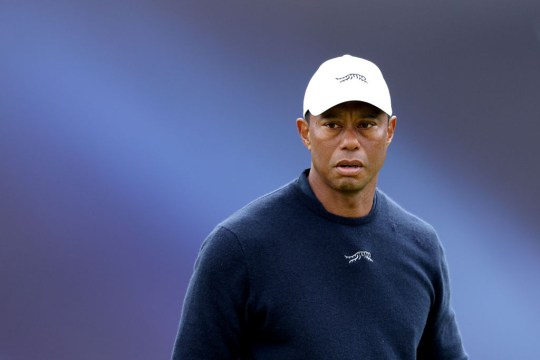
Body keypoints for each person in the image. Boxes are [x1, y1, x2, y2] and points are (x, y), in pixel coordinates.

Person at [172, 55, 468, 359]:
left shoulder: (420, 245)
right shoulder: (239, 247)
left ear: (389, 131)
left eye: (366, 124)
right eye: (332, 124)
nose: (350, 141)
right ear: (305, 132)